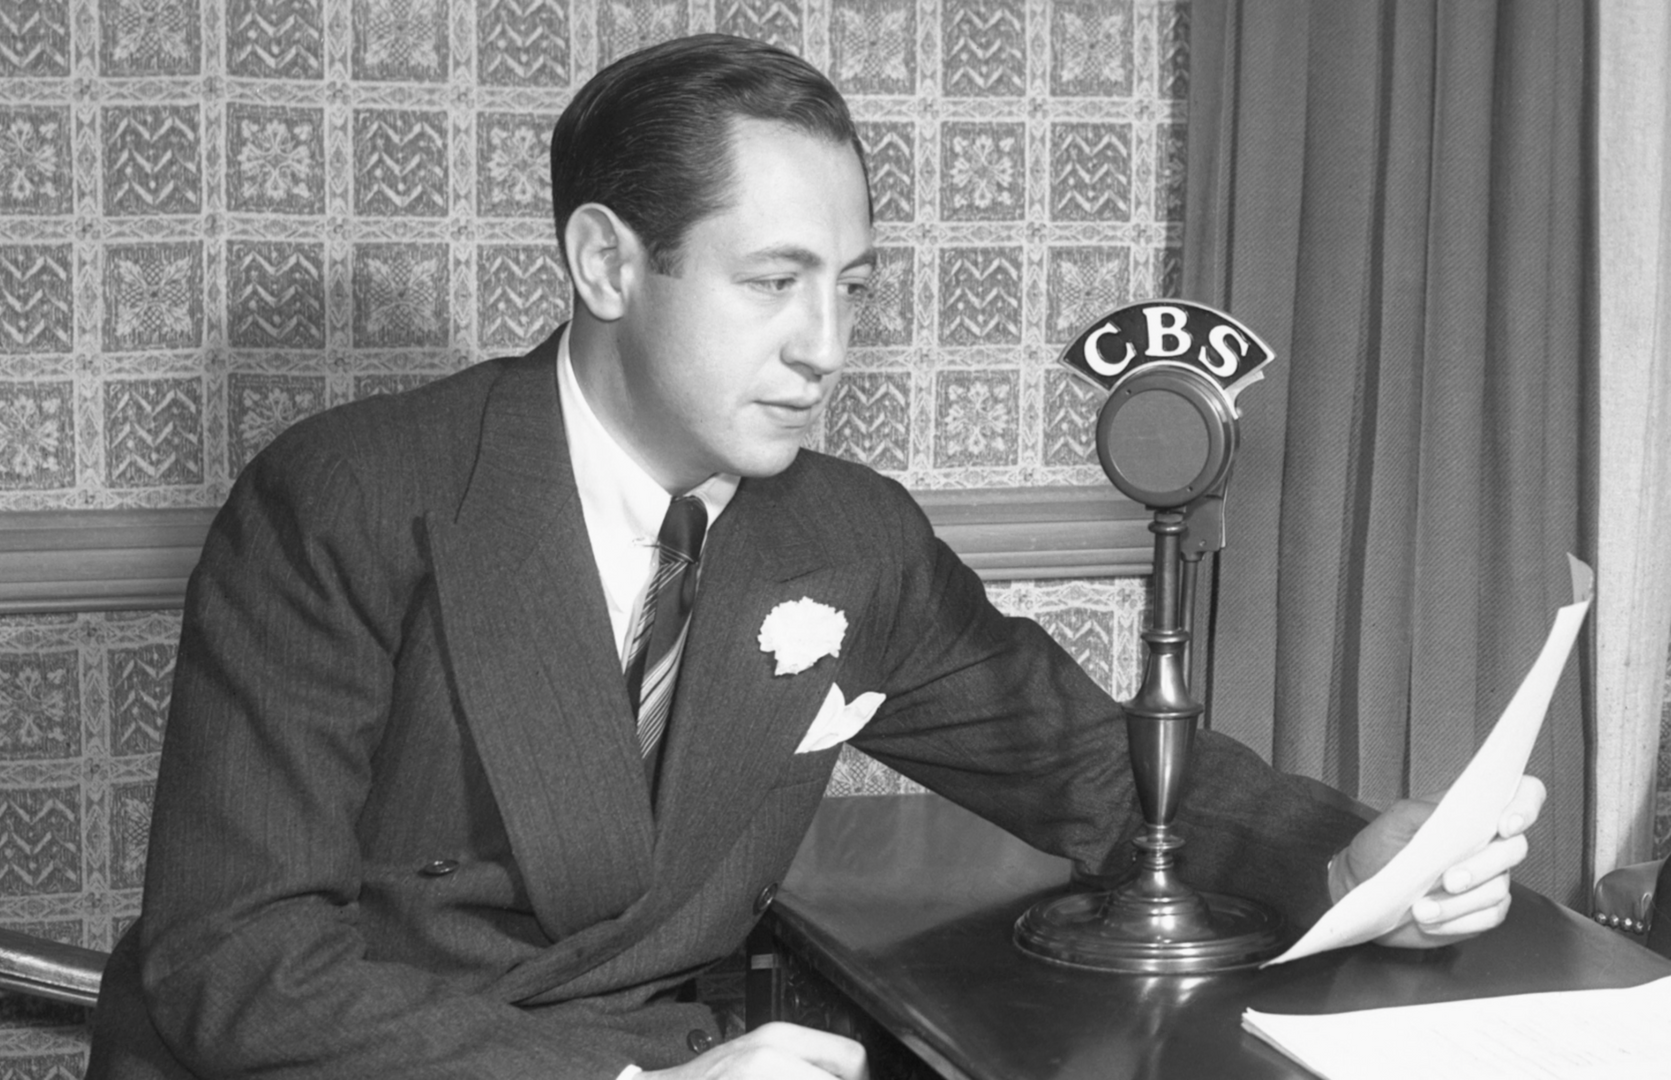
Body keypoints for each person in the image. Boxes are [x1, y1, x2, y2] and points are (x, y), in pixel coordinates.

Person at [86, 33, 1545, 1080]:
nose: (826, 349)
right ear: (606, 265)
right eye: (771, 284)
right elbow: (242, 967)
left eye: (849, 288)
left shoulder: (846, 536)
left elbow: (1093, 768)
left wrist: (1345, 848)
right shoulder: (346, 499)